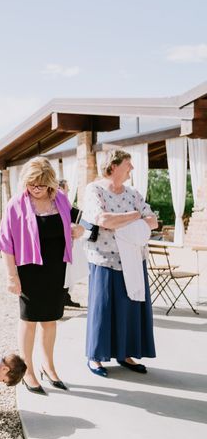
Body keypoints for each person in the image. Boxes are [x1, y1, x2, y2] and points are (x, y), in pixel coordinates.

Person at [0, 157, 84, 394]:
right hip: (29, 270)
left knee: (50, 319)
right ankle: (29, 371)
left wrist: (79, 230)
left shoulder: (62, 200)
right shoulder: (16, 204)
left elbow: (79, 224)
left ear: (50, 183)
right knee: (29, 320)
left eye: (40, 184)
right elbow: (5, 243)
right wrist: (11, 276)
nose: (35, 188)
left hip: (56, 269)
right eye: (31, 184)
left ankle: (49, 366)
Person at [82, 149, 157, 377]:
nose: (132, 169)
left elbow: (152, 221)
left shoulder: (133, 193)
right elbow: (102, 219)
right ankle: (95, 358)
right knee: (102, 310)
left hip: (133, 260)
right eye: (128, 164)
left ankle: (125, 354)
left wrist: (122, 220)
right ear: (113, 166)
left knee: (129, 310)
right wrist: (135, 216)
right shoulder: (94, 190)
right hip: (104, 259)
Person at [58, 179, 81, 308]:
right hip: (60, 244)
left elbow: (75, 216)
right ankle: (61, 299)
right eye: (67, 188)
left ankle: (65, 297)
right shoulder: (60, 199)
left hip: (68, 242)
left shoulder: (64, 201)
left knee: (68, 272)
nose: (69, 191)